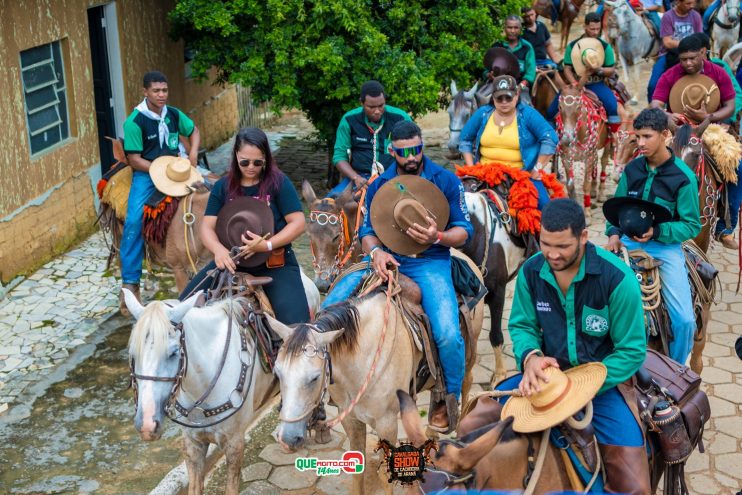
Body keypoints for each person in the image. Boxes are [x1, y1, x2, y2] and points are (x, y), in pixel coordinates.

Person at [459, 198, 650, 494]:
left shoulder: (618, 280)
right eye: (546, 243)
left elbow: (632, 350)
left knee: (634, 485)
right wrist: (531, 358)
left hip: (603, 385)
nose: (552, 253)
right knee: (470, 427)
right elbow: (522, 325)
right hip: (543, 379)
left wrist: (580, 386)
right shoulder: (532, 271)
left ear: (584, 237)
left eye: (562, 246)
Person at [323, 120, 473, 431]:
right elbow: (366, 232)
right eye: (403, 152)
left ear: (422, 146)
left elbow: (464, 232)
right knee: (327, 310)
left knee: (447, 332)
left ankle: (449, 396)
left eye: (416, 150)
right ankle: (324, 386)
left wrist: (439, 237)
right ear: (392, 150)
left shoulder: (445, 180)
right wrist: (376, 253)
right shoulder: (379, 184)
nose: (411, 158)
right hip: (386, 258)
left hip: (429, 261)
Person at [179, 127, 310, 324]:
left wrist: (266, 245)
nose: (251, 167)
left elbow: (298, 223)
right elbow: (206, 227)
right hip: (232, 262)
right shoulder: (223, 186)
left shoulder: (279, 183)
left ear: (266, 158)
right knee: (182, 309)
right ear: (235, 157)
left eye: (258, 162)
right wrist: (218, 251)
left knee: (297, 330)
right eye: (244, 162)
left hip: (275, 263)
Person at [606, 108, 700, 364]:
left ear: (665, 135)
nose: (641, 143)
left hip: (664, 249)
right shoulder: (633, 169)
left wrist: (657, 231)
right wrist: (613, 233)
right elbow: (616, 206)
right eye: (637, 137)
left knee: (684, 320)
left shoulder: (684, 177)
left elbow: (692, 225)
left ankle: (675, 369)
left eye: (647, 136)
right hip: (625, 243)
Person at [120, 71, 200, 303]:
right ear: (145, 92)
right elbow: (134, 159)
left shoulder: (173, 114)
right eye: (156, 91)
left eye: (164, 90)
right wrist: (159, 170)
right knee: (134, 219)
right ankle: (130, 279)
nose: (161, 95)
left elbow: (193, 130)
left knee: (210, 195)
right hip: (147, 174)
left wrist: (193, 151)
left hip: (178, 167)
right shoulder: (134, 121)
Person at [459, 75, 558, 210]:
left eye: (508, 97)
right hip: (482, 173)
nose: (504, 102)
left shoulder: (527, 114)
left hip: (520, 175)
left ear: (517, 96)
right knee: (456, 201)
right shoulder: (483, 114)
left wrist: (537, 168)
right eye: (499, 98)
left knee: (546, 209)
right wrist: (470, 168)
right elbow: (465, 138)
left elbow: (550, 138)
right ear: (493, 97)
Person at [328, 80, 411, 197]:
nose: (377, 111)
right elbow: (339, 157)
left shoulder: (401, 118)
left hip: (394, 177)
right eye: (371, 107)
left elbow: (413, 149)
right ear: (361, 103)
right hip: (359, 178)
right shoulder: (349, 120)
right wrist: (355, 177)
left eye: (381, 106)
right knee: (328, 207)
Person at [547, 13, 622, 133]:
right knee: (550, 111)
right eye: (592, 29)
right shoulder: (572, 46)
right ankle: (552, 139)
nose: (595, 32)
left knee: (612, 107)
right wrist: (574, 84)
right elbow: (567, 68)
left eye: (598, 29)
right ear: (585, 26)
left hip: (596, 83)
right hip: (575, 84)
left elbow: (611, 70)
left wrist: (598, 70)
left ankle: (614, 138)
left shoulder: (605, 47)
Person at [646, 0, 702, 102]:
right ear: (678, 2)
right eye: (688, 3)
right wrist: (688, 43)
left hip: (693, 54)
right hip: (669, 54)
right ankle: (652, 111)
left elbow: (700, 38)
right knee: (653, 85)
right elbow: (667, 43)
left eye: (693, 3)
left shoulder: (696, 16)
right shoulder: (668, 16)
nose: (691, 6)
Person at [492, 15, 537, 95]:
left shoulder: (526, 47)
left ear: (520, 29)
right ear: (504, 28)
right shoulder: (497, 46)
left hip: (520, 86)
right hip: (496, 86)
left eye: (516, 28)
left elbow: (530, 72)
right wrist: (489, 74)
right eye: (509, 27)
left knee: (524, 106)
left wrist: (521, 86)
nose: (512, 31)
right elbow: (486, 69)